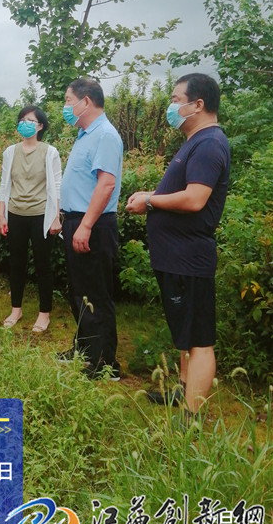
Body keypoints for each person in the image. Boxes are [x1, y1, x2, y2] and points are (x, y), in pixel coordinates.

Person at [126, 73, 230, 423]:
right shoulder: (194, 142)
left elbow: (195, 199)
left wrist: (150, 200)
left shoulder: (210, 144)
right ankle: (183, 389)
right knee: (186, 334)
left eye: (175, 99)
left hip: (189, 259)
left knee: (199, 340)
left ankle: (192, 416)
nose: (171, 106)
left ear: (197, 104)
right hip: (175, 257)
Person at [59, 78, 123, 379]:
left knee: (96, 293)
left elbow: (106, 184)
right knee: (79, 291)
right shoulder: (85, 134)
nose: (66, 107)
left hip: (93, 224)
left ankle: (105, 363)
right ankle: (85, 348)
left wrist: (85, 225)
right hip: (77, 221)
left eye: (68, 100)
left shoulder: (105, 135)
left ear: (86, 101)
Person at [0, 106, 62, 333]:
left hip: (41, 215)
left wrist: (56, 217)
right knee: (17, 263)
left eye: (31, 120)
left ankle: (44, 313)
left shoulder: (50, 152)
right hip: (16, 213)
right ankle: (16, 309)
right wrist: (1, 213)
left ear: (40, 126)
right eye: (22, 119)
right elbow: (4, 184)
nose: (25, 123)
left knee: (43, 264)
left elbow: (57, 185)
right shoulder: (10, 152)